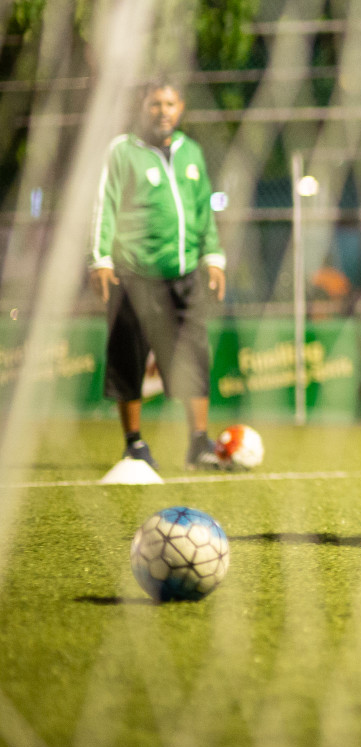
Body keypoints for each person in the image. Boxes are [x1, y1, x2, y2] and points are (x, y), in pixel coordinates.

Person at [91, 83, 226, 470]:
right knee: (127, 356)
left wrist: (214, 256)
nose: (163, 111)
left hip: (184, 274)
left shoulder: (192, 152)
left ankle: (198, 444)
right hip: (133, 275)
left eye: (169, 103)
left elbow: (204, 211)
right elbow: (105, 205)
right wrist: (100, 259)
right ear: (142, 107)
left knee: (194, 357)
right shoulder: (123, 151)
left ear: (180, 107)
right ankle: (134, 444)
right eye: (155, 104)